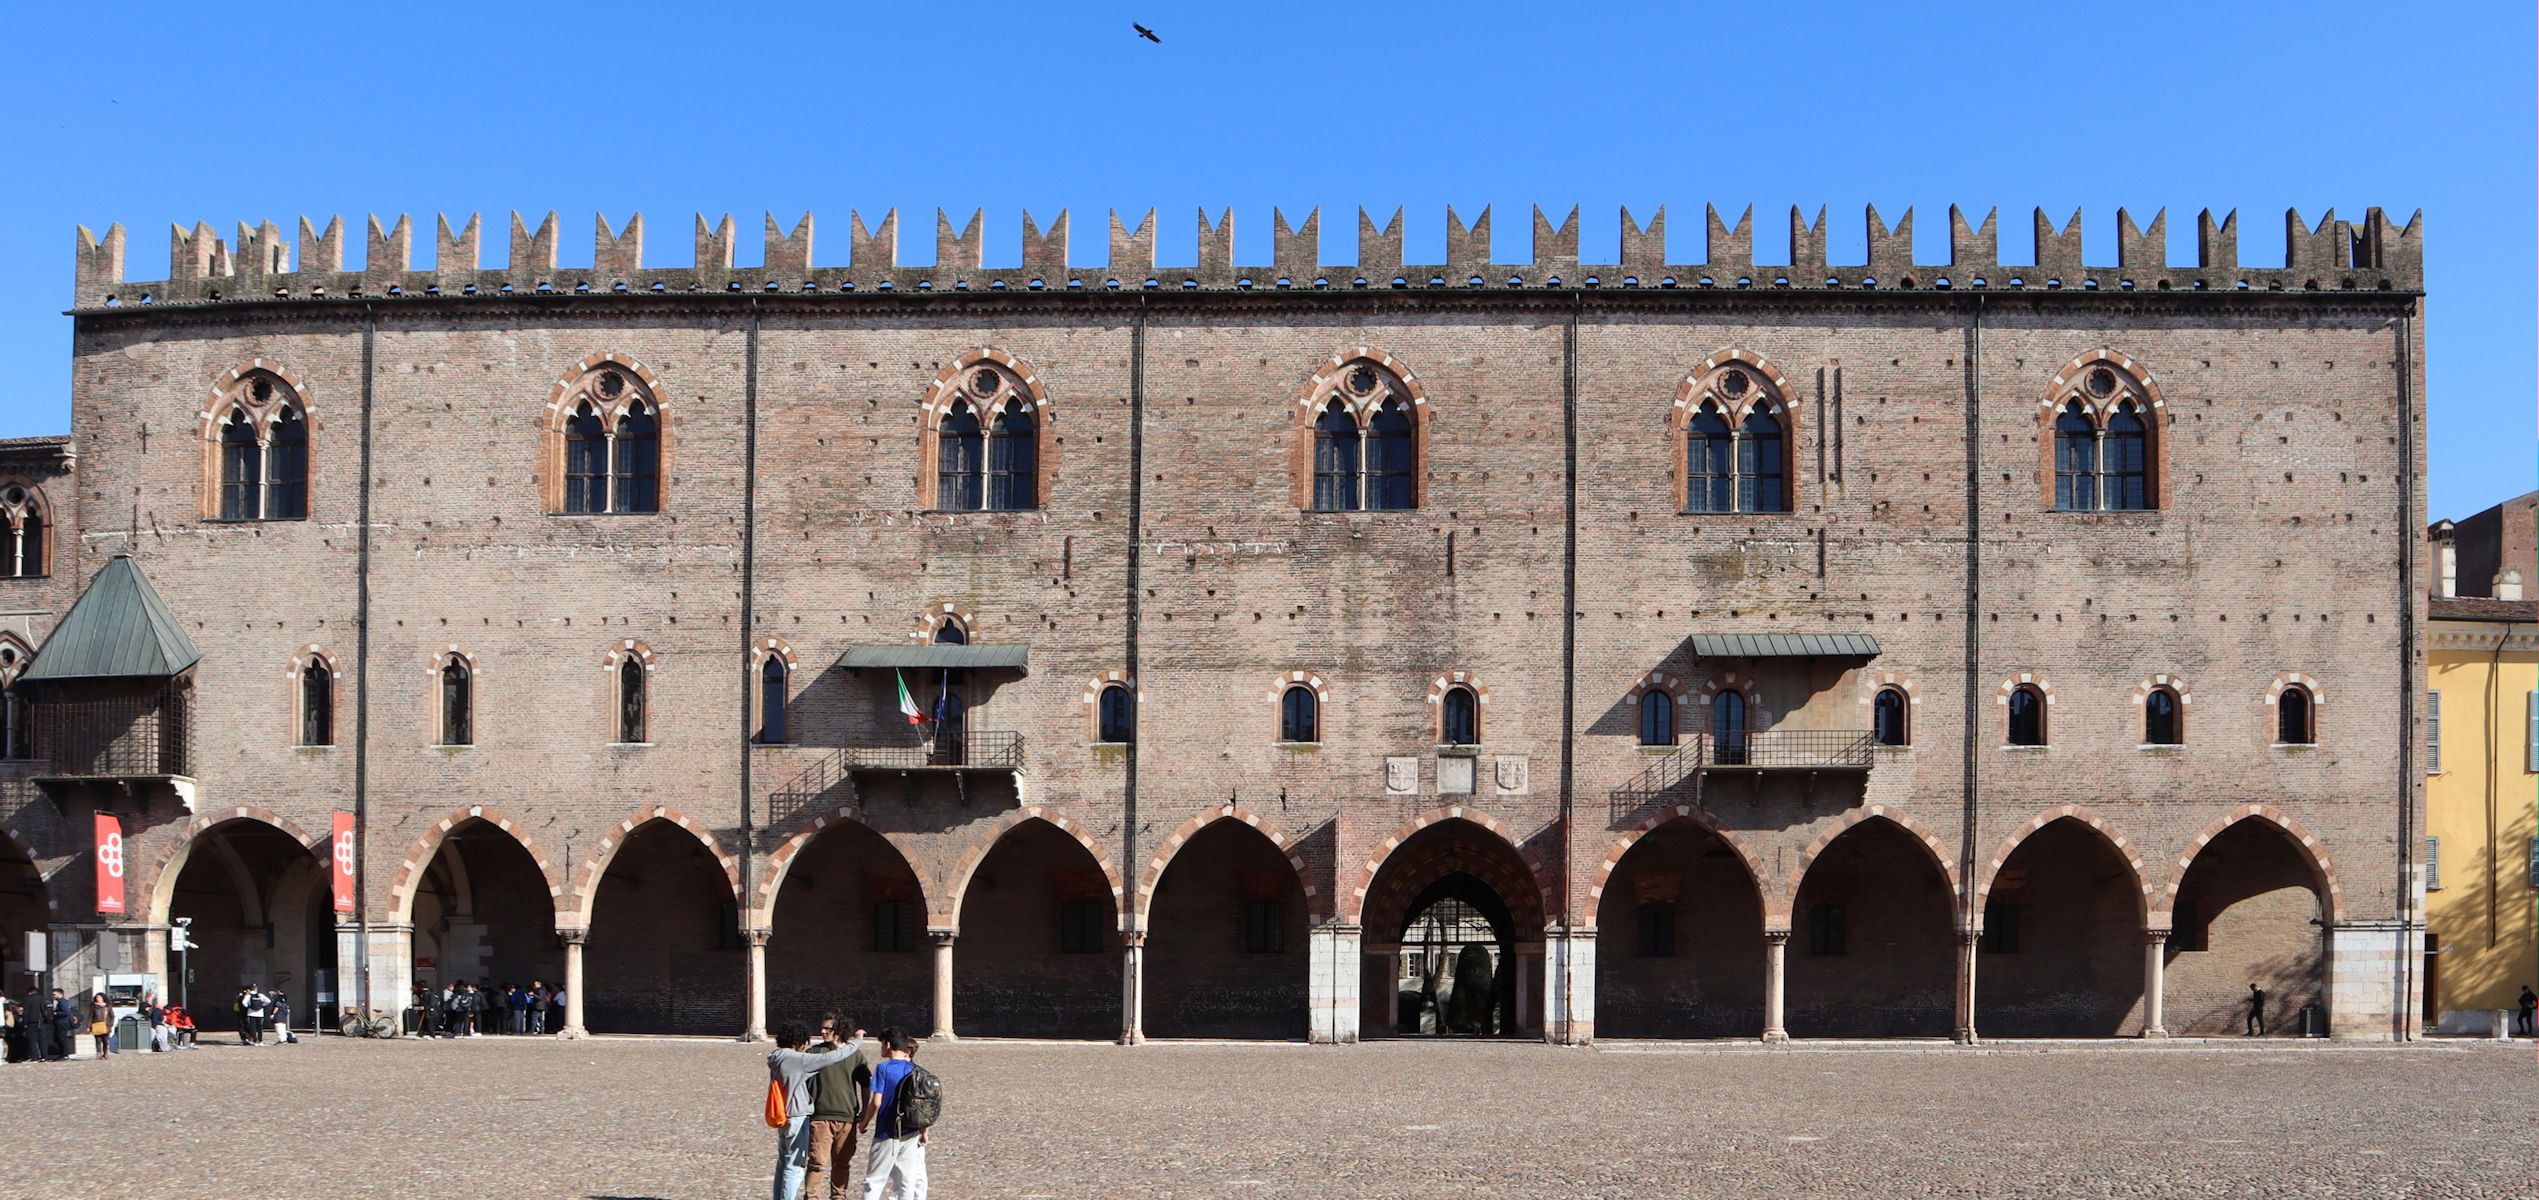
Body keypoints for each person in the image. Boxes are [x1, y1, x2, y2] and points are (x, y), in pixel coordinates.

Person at [768, 1019, 866, 1200]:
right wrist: (857, 1040)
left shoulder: (777, 1057)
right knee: (795, 1167)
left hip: (783, 1115)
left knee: (783, 1163)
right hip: (797, 1115)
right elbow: (832, 1057)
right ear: (799, 1042)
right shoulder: (798, 1059)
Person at [803, 1013, 877, 1200]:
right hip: (820, 1117)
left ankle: (839, 1196)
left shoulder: (855, 1055)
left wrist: (864, 1110)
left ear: (839, 1030)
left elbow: (865, 1083)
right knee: (817, 1162)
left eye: (827, 1028)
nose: (822, 1031)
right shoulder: (815, 1053)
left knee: (842, 1163)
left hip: (847, 1117)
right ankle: (811, 1197)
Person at [857, 1028, 928, 1200]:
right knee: (906, 1182)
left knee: (874, 1181)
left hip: (886, 1131)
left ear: (888, 1044)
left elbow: (876, 1101)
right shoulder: (915, 1070)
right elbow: (922, 1105)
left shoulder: (883, 1068)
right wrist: (924, 1132)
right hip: (910, 1131)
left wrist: (865, 1122)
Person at [47, 988, 75, 1061]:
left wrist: (56, 1014)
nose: (52, 996)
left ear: (59, 994)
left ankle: (65, 1054)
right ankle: (62, 1054)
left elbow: (66, 1012)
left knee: (62, 1039)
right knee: (58, 1038)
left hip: (62, 1022)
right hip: (60, 1022)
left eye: (54, 994)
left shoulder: (62, 1002)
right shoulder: (60, 1001)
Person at [87, 993, 113, 1059]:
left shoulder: (107, 1006)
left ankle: (105, 1053)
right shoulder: (93, 1006)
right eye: (97, 997)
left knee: (105, 1040)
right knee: (98, 1040)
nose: (97, 999)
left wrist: (110, 1024)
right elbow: (90, 1016)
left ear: (103, 998)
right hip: (96, 1025)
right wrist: (88, 1026)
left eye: (99, 997)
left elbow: (112, 1016)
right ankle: (98, 1053)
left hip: (106, 1025)